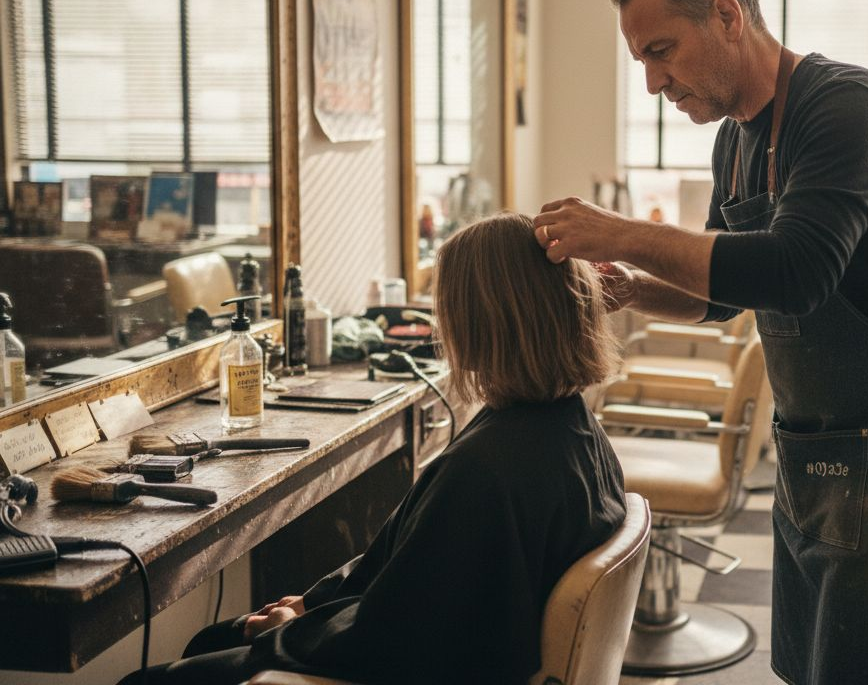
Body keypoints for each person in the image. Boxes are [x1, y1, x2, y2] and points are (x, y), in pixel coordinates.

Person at [533, 0, 868, 685]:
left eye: (662, 50)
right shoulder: (735, 141)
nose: (652, 82)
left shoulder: (847, 111)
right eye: (642, 59)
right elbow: (736, 290)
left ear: (728, 15)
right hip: (817, 442)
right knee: (813, 662)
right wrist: (635, 290)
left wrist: (621, 232)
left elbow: (797, 270)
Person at [119, 213, 627, 685]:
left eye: (445, 307)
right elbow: (405, 564)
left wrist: (284, 631)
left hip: (404, 666)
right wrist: (313, 605)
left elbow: (392, 640)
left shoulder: (486, 471)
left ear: (479, 320)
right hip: (430, 642)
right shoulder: (570, 425)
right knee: (211, 640)